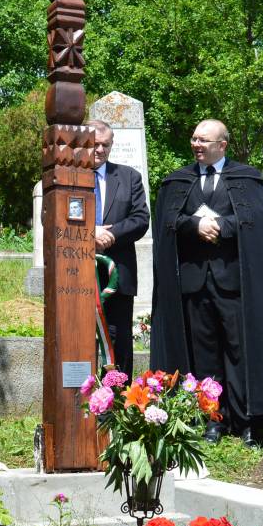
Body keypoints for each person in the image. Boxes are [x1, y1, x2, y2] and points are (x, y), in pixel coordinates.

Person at [150, 119, 263, 447]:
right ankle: (214, 418)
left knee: (241, 353)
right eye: (194, 139)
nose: (197, 145)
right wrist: (193, 225)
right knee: (205, 355)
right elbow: (168, 222)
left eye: (204, 140)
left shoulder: (246, 179)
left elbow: (258, 224)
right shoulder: (178, 182)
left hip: (236, 284)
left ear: (222, 145)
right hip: (195, 285)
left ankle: (247, 420)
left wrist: (223, 227)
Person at [87, 120, 150, 380]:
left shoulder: (129, 177)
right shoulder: (65, 175)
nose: (100, 150)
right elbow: (52, 217)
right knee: (80, 336)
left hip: (118, 274)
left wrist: (110, 234)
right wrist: (90, 233)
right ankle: (80, 403)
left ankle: (117, 400)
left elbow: (140, 219)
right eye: (94, 144)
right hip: (75, 272)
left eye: (106, 145)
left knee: (118, 339)